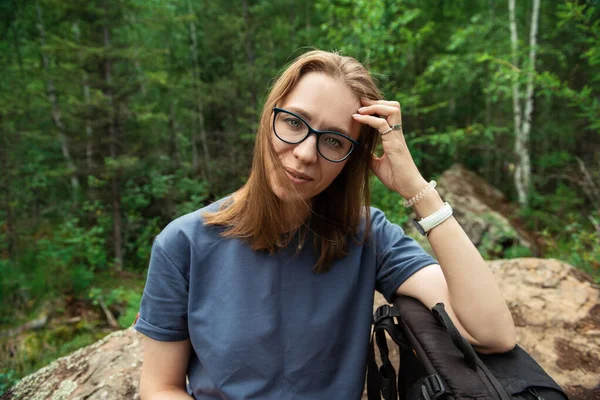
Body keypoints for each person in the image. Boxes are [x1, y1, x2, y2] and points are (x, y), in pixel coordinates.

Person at [134, 50, 516, 400]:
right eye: (293, 122)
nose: (303, 154)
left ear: (352, 157)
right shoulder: (184, 244)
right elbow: (159, 386)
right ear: (269, 118)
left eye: (333, 141)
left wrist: (417, 188)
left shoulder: (367, 235)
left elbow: (490, 334)